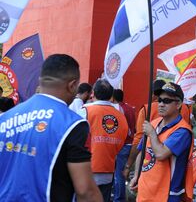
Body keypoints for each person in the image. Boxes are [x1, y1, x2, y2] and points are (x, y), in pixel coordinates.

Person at [0, 54, 102, 201]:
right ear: (72, 85)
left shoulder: (4, 118)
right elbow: (86, 191)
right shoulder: (73, 124)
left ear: (40, 80)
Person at [130, 82, 193, 201]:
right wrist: (137, 175)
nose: (161, 104)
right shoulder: (153, 124)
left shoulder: (182, 131)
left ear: (178, 104)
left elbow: (161, 154)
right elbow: (142, 153)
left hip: (166, 195)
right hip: (145, 192)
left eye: (167, 101)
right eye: (159, 100)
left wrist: (152, 133)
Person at [82, 79, 128, 201]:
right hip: (108, 168)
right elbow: (122, 140)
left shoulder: (85, 110)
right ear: (111, 95)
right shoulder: (120, 115)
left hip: (85, 170)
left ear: (93, 93)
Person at [123, 78, 165, 179]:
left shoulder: (147, 109)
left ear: (153, 93)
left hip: (149, 158)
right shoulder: (182, 108)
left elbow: (139, 139)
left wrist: (128, 165)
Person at [112, 89, 137, 202]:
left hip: (122, 144)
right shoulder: (130, 108)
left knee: (119, 176)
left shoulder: (119, 109)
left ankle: (119, 199)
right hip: (130, 144)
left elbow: (119, 128)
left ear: (114, 98)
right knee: (121, 174)